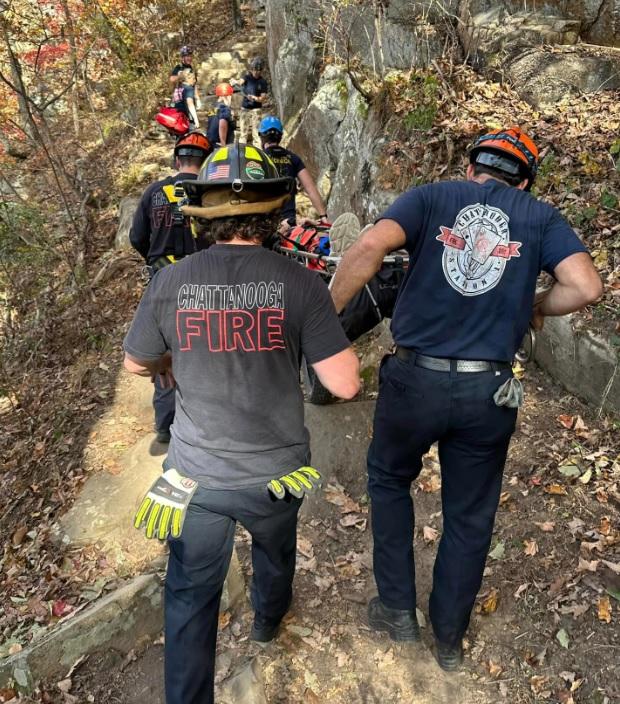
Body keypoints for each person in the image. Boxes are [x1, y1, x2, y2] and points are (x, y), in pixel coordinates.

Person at [329, 127, 603, 671]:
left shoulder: (432, 196)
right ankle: (449, 639)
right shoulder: (540, 217)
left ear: (472, 166)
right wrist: (540, 305)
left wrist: (324, 321)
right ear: (523, 179)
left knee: (388, 482)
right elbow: (587, 286)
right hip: (488, 391)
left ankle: (396, 609)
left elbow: (367, 247)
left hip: (414, 380)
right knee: (469, 517)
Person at [124, 142, 360, 704]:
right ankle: (267, 621)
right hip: (274, 473)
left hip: (193, 476)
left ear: (203, 212)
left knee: (188, 598)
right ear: (275, 209)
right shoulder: (299, 284)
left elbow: (135, 362)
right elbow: (345, 383)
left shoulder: (171, 282)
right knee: (274, 554)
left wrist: (168, 359)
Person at [129, 131, 212, 443]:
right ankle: (206, 417)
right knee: (206, 343)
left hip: (164, 278)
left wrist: (155, 259)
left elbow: (137, 237)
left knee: (166, 348)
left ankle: (166, 422)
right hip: (205, 277)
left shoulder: (154, 192)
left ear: (177, 160)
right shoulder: (208, 192)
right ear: (204, 164)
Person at [258, 115, 328, 231]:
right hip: (288, 222)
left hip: (265, 222)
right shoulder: (293, 158)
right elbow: (310, 189)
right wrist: (323, 216)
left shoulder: (258, 158)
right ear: (280, 137)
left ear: (261, 136)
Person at [230, 56, 268, 144]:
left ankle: (258, 150)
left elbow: (262, 98)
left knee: (256, 133)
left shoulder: (263, 82)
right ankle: (241, 151)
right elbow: (240, 82)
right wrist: (235, 81)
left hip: (256, 109)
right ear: (252, 69)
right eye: (254, 69)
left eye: (258, 70)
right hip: (245, 107)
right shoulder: (247, 77)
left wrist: (255, 98)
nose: (256, 72)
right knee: (243, 133)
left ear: (261, 71)